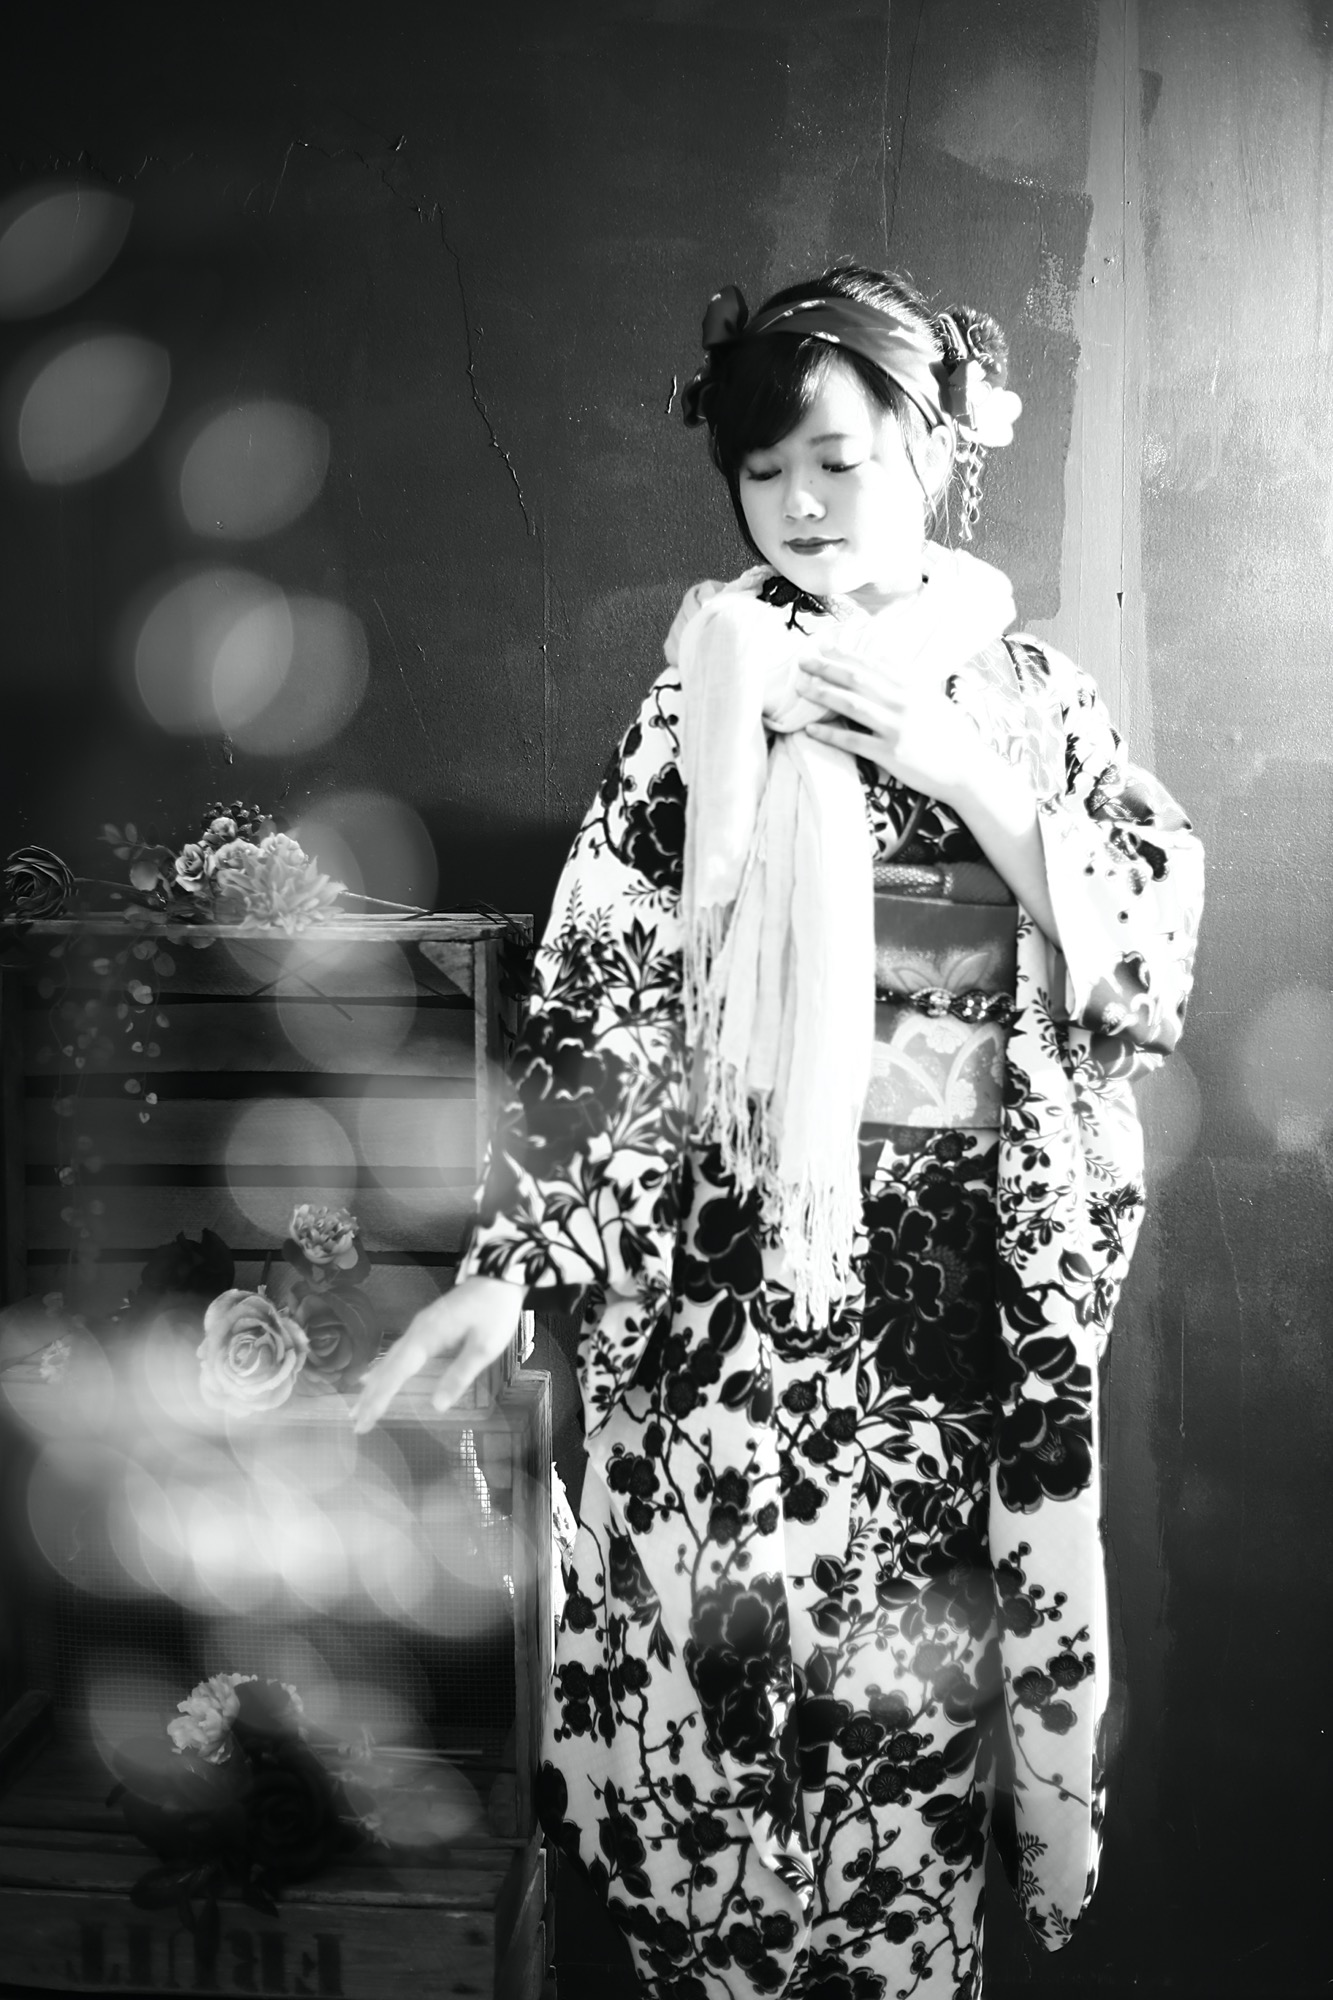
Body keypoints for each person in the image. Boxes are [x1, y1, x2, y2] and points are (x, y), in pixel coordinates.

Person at [354, 265, 1203, 1999]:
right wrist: (510, 1272)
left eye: (838, 461)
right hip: (715, 1306)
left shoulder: (1029, 698)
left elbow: (1144, 958)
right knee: (705, 1723)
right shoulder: (698, 695)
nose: (799, 506)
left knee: (904, 1741)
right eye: (762, 472)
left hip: (936, 1317)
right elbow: (607, 992)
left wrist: (965, 772)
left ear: (936, 451)